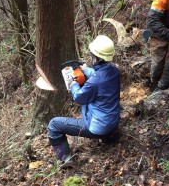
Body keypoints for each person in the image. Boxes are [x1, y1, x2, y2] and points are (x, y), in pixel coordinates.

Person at [48, 35, 121, 163]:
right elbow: (97, 74)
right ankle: (107, 136)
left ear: (96, 57)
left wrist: (73, 84)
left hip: (98, 128)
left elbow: (79, 97)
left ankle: (65, 160)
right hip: (113, 123)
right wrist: (85, 69)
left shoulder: (94, 83)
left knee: (54, 124)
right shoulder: (114, 71)